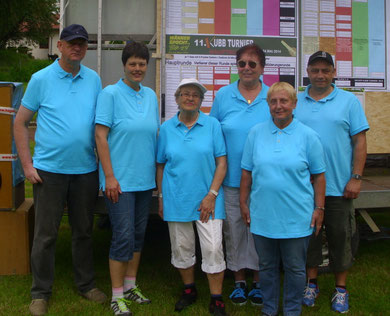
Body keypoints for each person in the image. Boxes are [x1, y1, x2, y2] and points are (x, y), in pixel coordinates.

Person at [14, 24, 106, 316]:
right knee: (46, 235)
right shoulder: (41, 78)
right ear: (60, 47)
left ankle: (86, 284)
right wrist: (27, 165)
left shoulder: (94, 80)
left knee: (83, 231)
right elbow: (19, 122)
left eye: (82, 43)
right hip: (49, 170)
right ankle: (40, 293)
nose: (77, 47)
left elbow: (99, 127)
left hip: (85, 169)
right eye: (71, 43)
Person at [240, 82, 326, 316]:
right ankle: (269, 309)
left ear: (294, 104)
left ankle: (291, 310)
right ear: (268, 104)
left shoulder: (309, 136)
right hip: (263, 214)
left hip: (297, 217)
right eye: (273, 102)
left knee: (295, 268)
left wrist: (319, 208)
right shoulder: (256, 132)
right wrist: (243, 202)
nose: (279, 106)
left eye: (284, 101)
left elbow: (319, 176)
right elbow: (247, 172)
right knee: (266, 266)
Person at [295, 51, 369, 313]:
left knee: (341, 237)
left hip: (339, 185)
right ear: (308, 71)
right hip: (305, 187)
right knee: (310, 237)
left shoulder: (348, 102)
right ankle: (311, 283)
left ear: (334, 72)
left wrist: (356, 178)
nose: (320, 75)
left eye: (326, 70)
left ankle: (340, 289)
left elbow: (360, 141)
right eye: (315, 70)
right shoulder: (297, 101)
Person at [95, 41, 159, 316]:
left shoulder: (151, 96)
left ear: (147, 66)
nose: (137, 68)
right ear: (124, 65)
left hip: (144, 181)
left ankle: (131, 286)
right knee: (122, 236)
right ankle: (116, 295)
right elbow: (100, 135)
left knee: (137, 236)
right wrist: (109, 176)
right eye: (132, 63)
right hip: (118, 181)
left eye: (141, 64)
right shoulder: (110, 94)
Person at [156, 79, 228, 316]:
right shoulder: (166, 128)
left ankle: (216, 298)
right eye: (185, 94)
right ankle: (189, 290)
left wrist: (212, 194)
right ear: (177, 99)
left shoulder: (212, 125)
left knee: (213, 247)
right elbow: (160, 165)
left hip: (208, 200)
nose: (190, 98)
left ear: (201, 100)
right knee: (181, 247)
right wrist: (162, 197)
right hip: (176, 198)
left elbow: (221, 163)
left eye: (195, 95)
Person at [210, 43, 270, 305]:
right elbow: (211, 133)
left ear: (262, 69)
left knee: (260, 231)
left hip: (264, 181)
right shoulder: (223, 95)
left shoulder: (272, 97)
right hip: (231, 179)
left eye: (252, 64)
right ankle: (238, 282)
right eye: (242, 63)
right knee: (234, 231)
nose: (246, 68)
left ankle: (258, 282)